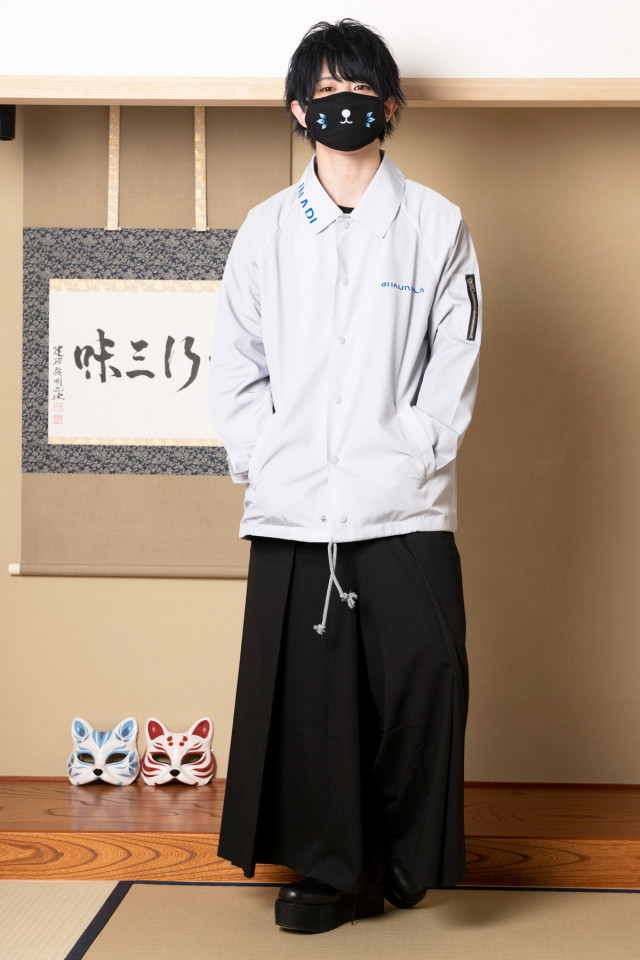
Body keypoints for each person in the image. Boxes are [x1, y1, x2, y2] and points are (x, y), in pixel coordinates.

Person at [209, 17, 483, 935]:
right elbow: (235, 363)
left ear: (390, 106)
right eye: (325, 93)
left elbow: (457, 355)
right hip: (294, 505)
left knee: (426, 675)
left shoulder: (436, 223)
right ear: (298, 110)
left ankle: (404, 863)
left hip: (402, 500)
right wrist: (265, 454)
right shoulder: (265, 230)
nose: (343, 105)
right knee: (310, 701)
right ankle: (335, 874)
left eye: (360, 90)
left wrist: (417, 446)